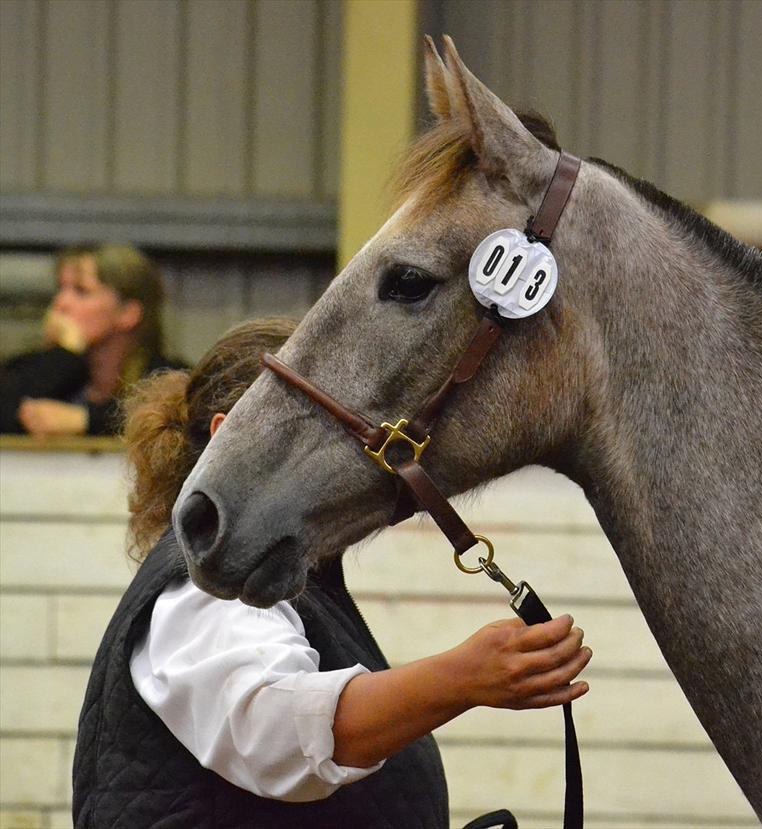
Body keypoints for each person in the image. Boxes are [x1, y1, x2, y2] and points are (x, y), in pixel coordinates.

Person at [73, 318, 591, 828]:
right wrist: (462, 678)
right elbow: (276, 730)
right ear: (230, 437)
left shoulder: (279, 577)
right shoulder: (211, 586)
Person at [0, 244, 182, 437]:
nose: (60, 303)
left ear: (128, 313)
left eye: (81, 291)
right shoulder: (36, 367)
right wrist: (65, 355)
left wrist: (85, 420)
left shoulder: (168, 378)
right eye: (60, 289)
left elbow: (171, 425)